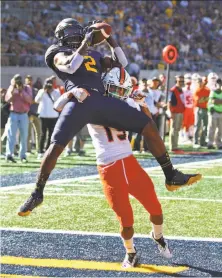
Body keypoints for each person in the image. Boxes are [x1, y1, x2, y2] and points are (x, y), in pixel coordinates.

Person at [18, 18, 201, 216]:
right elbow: (70, 66)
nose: (76, 33)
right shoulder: (56, 51)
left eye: (78, 31)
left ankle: (170, 174)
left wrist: (110, 39)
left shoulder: (94, 53)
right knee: (56, 145)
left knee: (148, 125)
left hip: (100, 100)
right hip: (79, 100)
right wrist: (86, 42)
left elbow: (122, 64)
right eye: (72, 31)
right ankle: (37, 192)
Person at [55, 67, 173, 268]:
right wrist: (71, 93)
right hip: (108, 167)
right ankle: (130, 252)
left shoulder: (126, 102)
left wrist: (142, 103)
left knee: (155, 207)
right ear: (105, 86)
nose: (118, 94)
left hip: (129, 161)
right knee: (126, 220)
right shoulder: (92, 101)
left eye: (121, 91)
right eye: (114, 89)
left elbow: (149, 126)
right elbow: (58, 106)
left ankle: (158, 236)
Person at [5, 74, 32, 163]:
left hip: (24, 114)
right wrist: (13, 91)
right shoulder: (11, 88)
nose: (18, 81)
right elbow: (7, 100)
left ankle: (22, 155)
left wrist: (21, 91)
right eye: (16, 80)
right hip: (14, 114)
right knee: (11, 135)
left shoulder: (27, 88)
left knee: (24, 136)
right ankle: (9, 155)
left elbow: (30, 100)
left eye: (19, 79)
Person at [35, 79, 60, 158]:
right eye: (47, 84)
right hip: (43, 115)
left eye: (50, 84)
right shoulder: (41, 91)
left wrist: (52, 92)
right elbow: (36, 100)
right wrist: (43, 92)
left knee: (51, 134)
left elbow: (58, 102)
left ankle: (48, 150)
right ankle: (40, 151)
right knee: (43, 134)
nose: (48, 86)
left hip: (53, 116)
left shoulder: (56, 92)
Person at [168, 75, 185, 151]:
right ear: (176, 81)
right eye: (179, 81)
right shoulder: (173, 90)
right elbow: (169, 102)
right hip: (175, 112)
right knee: (174, 129)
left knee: (177, 129)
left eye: (182, 81)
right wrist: (171, 113)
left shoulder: (181, 90)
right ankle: (172, 146)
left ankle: (175, 145)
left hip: (180, 112)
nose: (181, 83)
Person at [25, 75, 41, 154]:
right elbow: (29, 100)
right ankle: (28, 149)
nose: (30, 81)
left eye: (31, 80)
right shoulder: (24, 90)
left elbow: (37, 100)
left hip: (36, 113)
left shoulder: (35, 90)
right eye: (28, 80)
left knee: (39, 132)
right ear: (25, 81)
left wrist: (33, 101)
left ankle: (38, 149)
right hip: (28, 113)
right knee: (28, 132)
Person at [193, 77, 210, 148]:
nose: (200, 83)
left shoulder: (207, 90)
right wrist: (204, 99)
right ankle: (196, 142)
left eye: (201, 81)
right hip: (198, 109)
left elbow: (209, 99)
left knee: (205, 126)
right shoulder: (197, 90)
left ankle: (203, 141)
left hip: (206, 109)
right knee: (197, 125)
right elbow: (198, 101)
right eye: (199, 82)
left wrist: (204, 99)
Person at [207, 78, 222, 150]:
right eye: (219, 83)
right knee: (212, 128)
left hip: (220, 112)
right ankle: (210, 143)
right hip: (214, 112)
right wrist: (218, 101)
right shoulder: (213, 91)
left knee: (220, 129)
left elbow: (217, 101)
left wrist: (219, 101)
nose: (220, 85)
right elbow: (214, 101)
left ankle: (218, 144)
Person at [182, 73, 194, 142]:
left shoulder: (193, 89)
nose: (188, 84)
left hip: (191, 108)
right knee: (185, 123)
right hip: (185, 108)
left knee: (191, 123)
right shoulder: (183, 90)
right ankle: (184, 137)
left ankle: (190, 136)